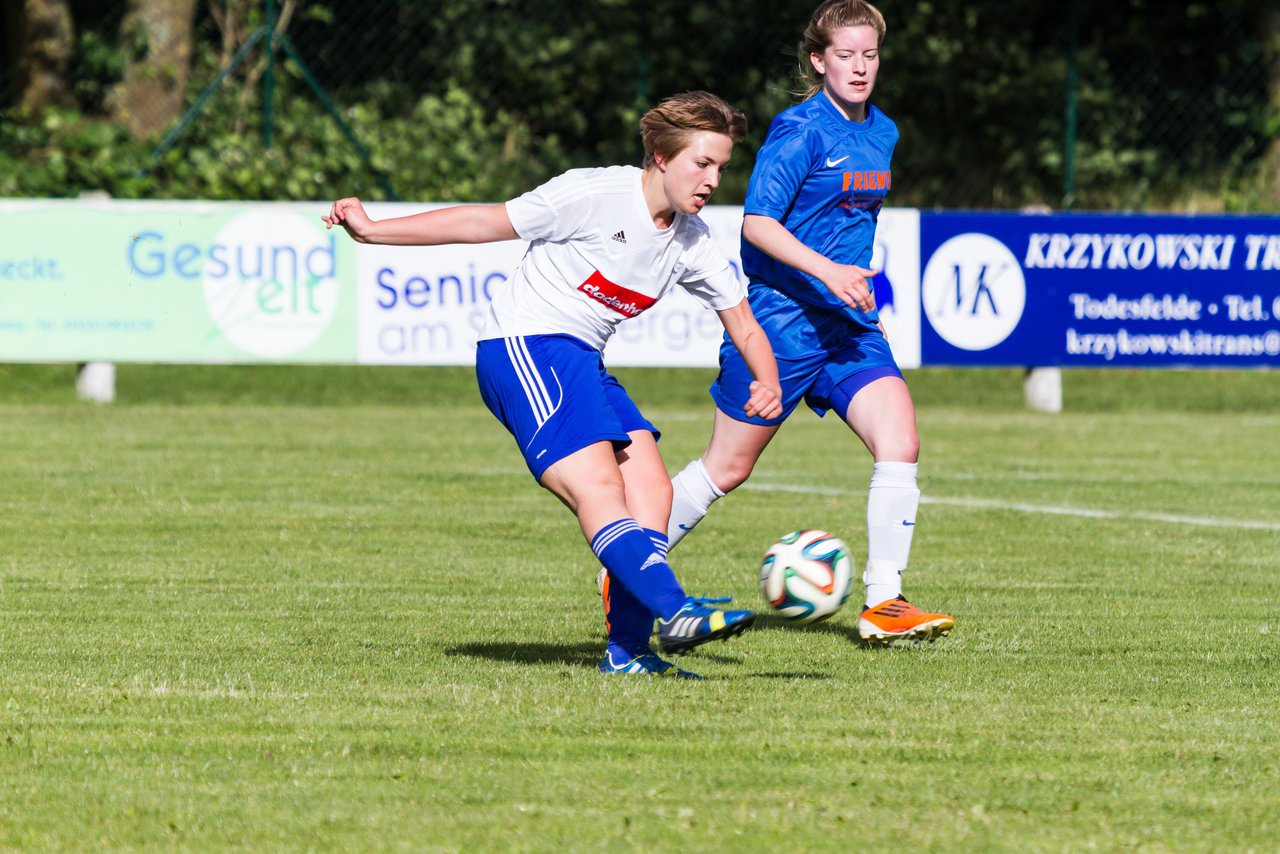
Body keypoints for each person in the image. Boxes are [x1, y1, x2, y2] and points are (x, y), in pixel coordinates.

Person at [324, 91, 782, 679]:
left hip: (580, 360)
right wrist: (374, 231)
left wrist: (766, 379)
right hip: (524, 347)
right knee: (598, 485)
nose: (713, 179)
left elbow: (742, 321)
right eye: (702, 163)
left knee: (653, 495)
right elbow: (482, 221)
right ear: (661, 157)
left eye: (722, 166)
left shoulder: (691, 240)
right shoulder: (593, 194)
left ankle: (629, 654)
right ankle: (675, 610)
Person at [660, 0, 954, 644]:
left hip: (847, 326)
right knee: (726, 468)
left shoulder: (884, 131)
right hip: (781, 322)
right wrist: (829, 271)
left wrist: (845, 281)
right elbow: (758, 225)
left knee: (900, 443)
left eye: (870, 54)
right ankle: (632, 564)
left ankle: (885, 601)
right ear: (819, 60)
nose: (859, 67)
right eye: (845, 55)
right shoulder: (799, 131)